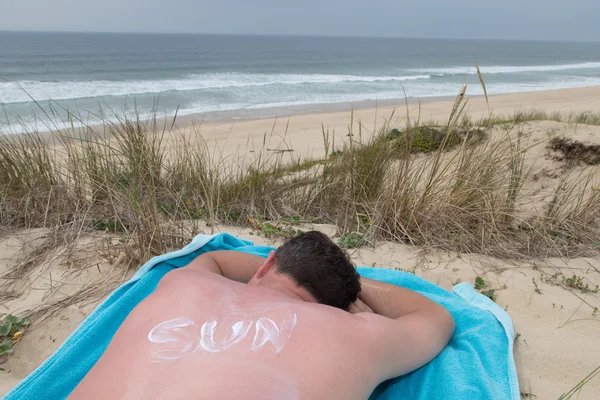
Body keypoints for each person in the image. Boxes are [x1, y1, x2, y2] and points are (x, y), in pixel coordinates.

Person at [70, 231, 454, 400]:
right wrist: (356, 290)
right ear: (336, 305)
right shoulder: (355, 333)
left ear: (268, 262)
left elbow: (216, 259)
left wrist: (287, 264)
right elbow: (434, 317)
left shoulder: (182, 283)